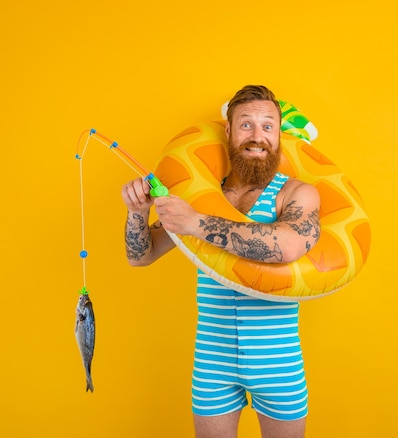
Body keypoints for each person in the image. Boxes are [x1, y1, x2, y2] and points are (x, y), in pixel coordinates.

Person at [121, 85, 321, 438]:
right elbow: (142, 255)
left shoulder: (296, 193)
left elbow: (289, 245)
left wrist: (195, 223)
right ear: (228, 132)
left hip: (277, 364)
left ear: (279, 135)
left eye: (267, 126)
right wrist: (137, 213)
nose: (257, 136)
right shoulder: (201, 196)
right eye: (246, 125)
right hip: (212, 362)